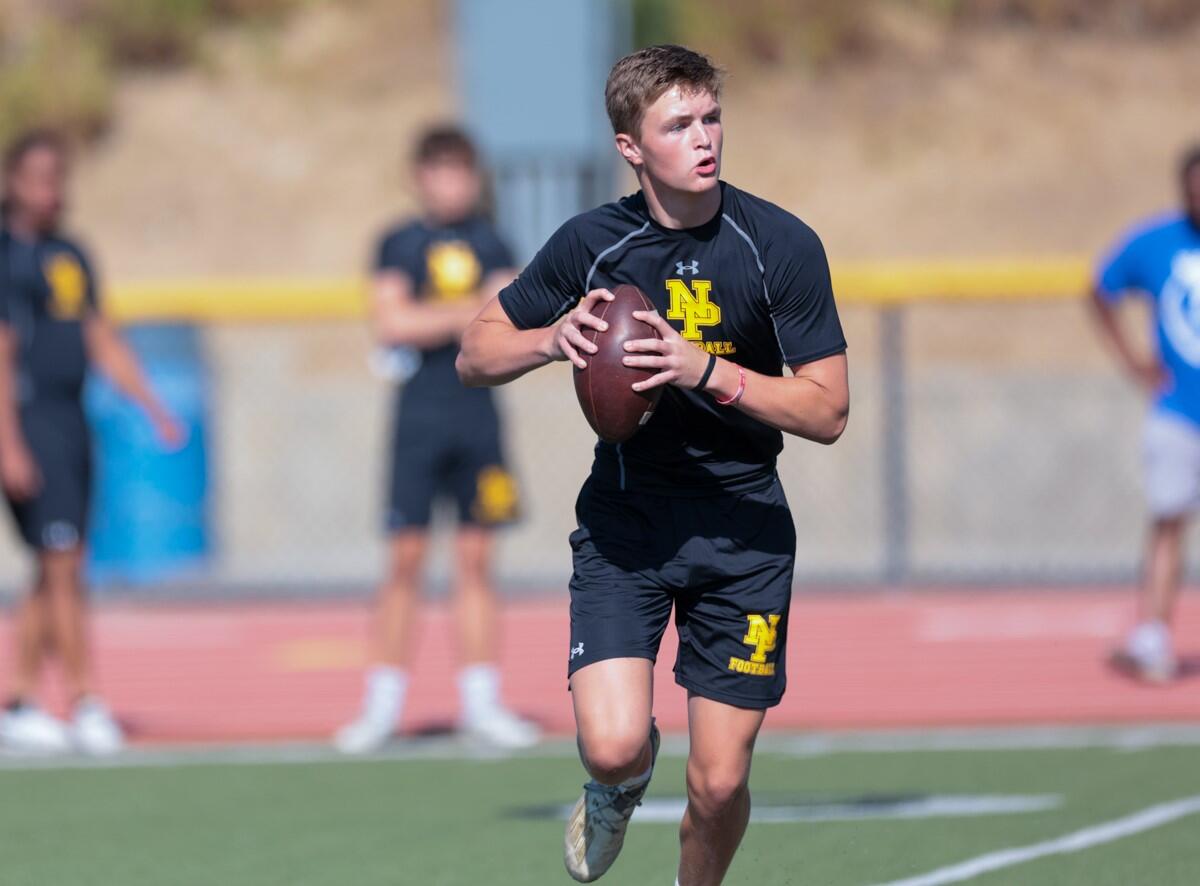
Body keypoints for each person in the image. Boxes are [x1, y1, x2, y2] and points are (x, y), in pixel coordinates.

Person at [457, 45, 848, 885]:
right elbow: (474, 351)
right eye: (679, 125)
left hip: (742, 531)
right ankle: (619, 787)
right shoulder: (591, 244)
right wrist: (545, 339)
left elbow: (828, 409)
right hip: (627, 525)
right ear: (632, 148)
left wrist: (704, 369)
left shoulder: (778, 243)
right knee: (612, 743)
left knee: (719, 781)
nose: (704, 139)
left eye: (711, 119)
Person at [335, 126, 539, 753]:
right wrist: (465, 314)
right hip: (418, 418)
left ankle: (481, 701)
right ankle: (382, 705)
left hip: (478, 417)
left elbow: (508, 314)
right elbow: (392, 319)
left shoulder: (492, 238)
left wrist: (449, 317)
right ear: (419, 177)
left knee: (477, 560)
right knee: (405, 560)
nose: (451, 184)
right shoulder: (399, 241)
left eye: (462, 172)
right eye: (439, 171)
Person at [0, 129, 183, 755]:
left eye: (58, 177)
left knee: (54, 567)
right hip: (29, 422)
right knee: (65, 565)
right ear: (13, 183)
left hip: (71, 421)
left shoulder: (70, 255)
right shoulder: (6, 257)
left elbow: (100, 336)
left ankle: (19, 702)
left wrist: (152, 405)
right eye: (38, 178)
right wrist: (9, 443)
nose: (51, 191)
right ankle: (84, 700)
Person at [1092, 144, 1200, 684]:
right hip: (1180, 410)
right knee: (1169, 518)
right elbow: (1101, 287)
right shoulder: (1158, 241)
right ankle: (1154, 634)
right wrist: (1134, 361)